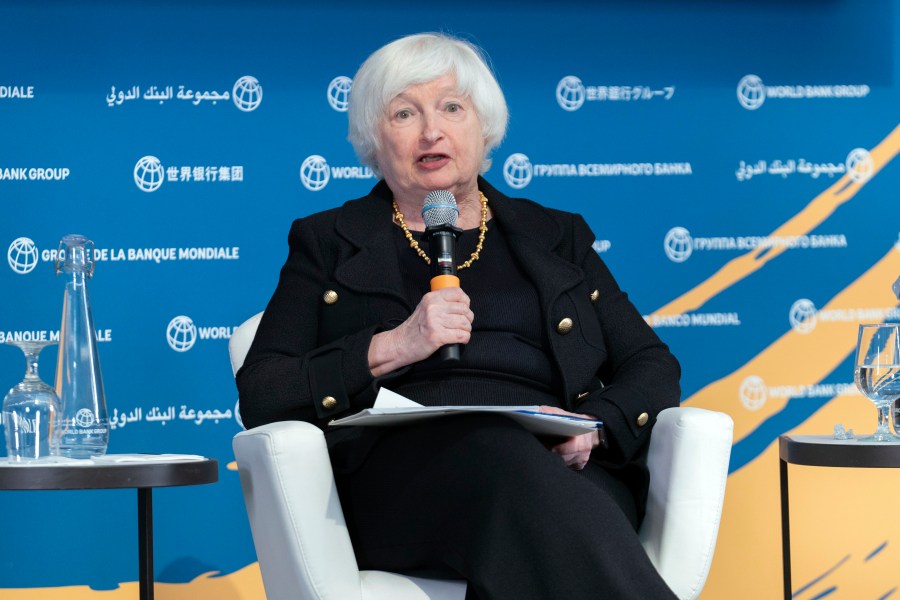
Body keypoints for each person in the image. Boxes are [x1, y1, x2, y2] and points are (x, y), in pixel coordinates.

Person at [237, 32, 681, 600]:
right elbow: (263, 391)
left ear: (484, 127)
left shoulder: (556, 236)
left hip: (560, 470)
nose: (431, 131)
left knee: (523, 474)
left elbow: (651, 364)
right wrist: (395, 345)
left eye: (451, 107)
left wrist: (592, 427)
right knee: (494, 450)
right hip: (406, 485)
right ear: (375, 139)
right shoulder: (327, 242)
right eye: (404, 113)